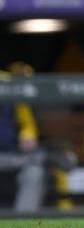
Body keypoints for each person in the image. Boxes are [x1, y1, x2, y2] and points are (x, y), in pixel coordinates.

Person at [0, 63, 45, 213]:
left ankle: (23, 223)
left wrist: (27, 136)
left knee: (34, 170)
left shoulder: (8, 82)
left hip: (12, 154)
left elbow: (27, 123)